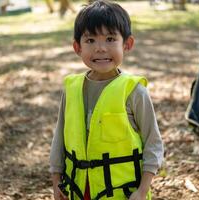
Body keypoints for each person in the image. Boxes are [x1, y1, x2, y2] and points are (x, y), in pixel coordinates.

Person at [49, 0, 164, 199]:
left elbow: (153, 143)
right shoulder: (71, 89)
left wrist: (142, 190)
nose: (100, 48)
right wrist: (56, 179)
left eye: (110, 39)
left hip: (122, 193)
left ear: (127, 44)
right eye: (90, 40)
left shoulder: (134, 91)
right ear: (77, 47)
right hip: (78, 190)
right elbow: (59, 137)